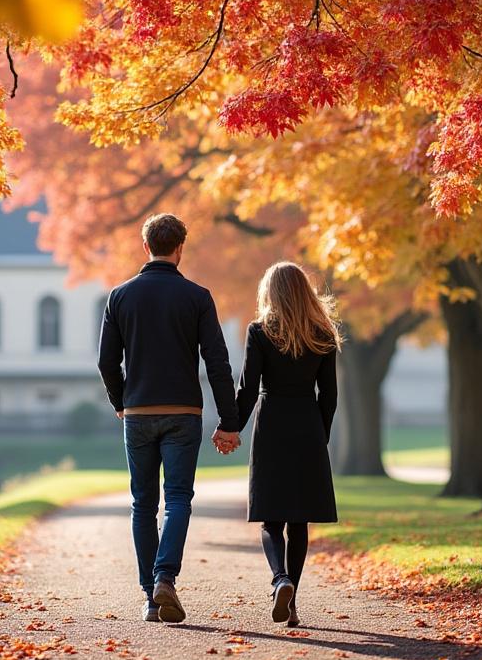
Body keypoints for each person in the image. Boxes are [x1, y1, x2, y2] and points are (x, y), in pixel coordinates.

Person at [97, 213, 238, 624]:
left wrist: (120, 402)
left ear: (146, 247)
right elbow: (217, 362)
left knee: (143, 503)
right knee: (177, 499)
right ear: (180, 248)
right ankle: (165, 578)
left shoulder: (120, 296)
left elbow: (107, 361)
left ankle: (149, 597)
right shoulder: (197, 297)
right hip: (183, 413)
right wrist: (229, 420)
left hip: (138, 411)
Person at [213, 262, 340, 628]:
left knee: (271, 519)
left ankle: (279, 579)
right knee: (299, 521)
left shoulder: (260, 331)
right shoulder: (322, 333)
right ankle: (293, 601)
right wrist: (320, 436)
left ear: (270, 292)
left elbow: (248, 390)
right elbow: (328, 396)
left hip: (271, 425)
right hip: (307, 425)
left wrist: (230, 427)